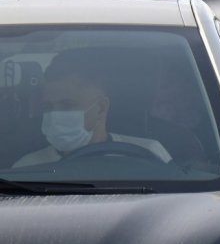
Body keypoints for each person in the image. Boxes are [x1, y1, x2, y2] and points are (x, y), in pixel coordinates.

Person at [13, 49, 172, 167]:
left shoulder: (149, 154)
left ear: (101, 108)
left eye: (67, 105)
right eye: (47, 106)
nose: (54, 115)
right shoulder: (27, 168)